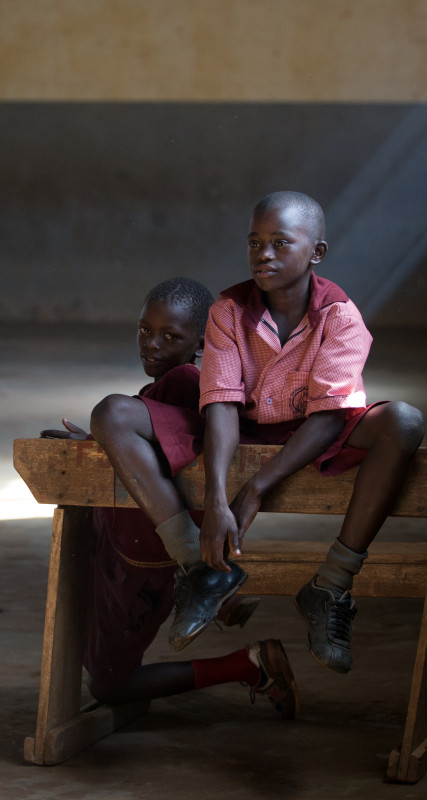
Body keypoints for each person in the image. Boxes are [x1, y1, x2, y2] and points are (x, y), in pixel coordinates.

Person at [92, 192, 425, 675]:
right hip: (239, 427)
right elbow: (222, 404)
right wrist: (219, 500)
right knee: (112, 414)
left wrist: (257, 488)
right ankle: (199, 570)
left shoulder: (341, 318)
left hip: (314, 432)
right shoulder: (228, 310)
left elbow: (330, 417)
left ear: (317, 253)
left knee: (405, 421)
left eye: (279, 242)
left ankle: (330, 586)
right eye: (255, 242)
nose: (263, 254)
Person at [44, 277, 297, 716]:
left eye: (171, 336)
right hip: (133, 556)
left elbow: (173, 451)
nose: (152, 344)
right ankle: (231, 626)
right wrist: (97, 445)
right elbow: (158, 453)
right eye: (145, 330)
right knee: (106, 670)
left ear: (201, 343)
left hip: (141, 564)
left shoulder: (188, 383)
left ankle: (248, 663)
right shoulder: (171, 391)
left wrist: (108, 429)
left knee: (110, 683)